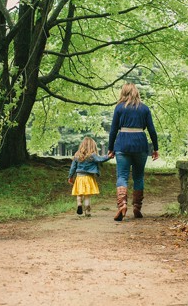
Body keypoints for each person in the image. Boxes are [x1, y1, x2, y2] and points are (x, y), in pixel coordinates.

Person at [108, 82, 160, 221]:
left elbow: (113, 130)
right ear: (136, 92)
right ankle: (137, 207)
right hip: (140, 144)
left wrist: (110, 148)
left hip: (122, 144)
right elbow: (152, 130)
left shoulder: (119, 108)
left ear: (123, 92)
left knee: (122, 176)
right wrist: (156, 148)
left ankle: (122, 204)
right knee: (138, 176)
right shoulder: (144, 109)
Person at [67, 136, 109, 218]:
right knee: (87, 196)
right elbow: (100, 159)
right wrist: (109, 156)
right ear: (93, 146)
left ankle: (79, 204)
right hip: (89, 178)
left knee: (79, 194)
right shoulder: (92, 155)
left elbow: (73, 168)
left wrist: (70, 177)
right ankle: (87, 212)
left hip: (79, 178)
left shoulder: (77, 155)